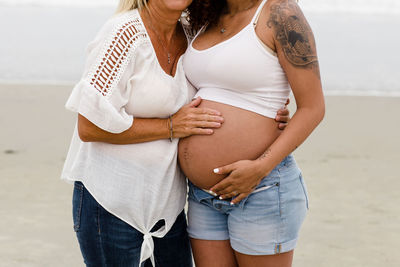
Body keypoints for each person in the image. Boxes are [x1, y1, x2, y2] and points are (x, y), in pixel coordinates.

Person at [61, 0, 290, 266]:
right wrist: (170, 126)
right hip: (111, 204)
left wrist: (266, 111)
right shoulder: (122, 34)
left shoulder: (194, 37)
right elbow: (89, 126)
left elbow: (229, 81)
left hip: (167, 207)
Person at [178, 0, 325, 266]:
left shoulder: (280, 12)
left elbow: (313, 108)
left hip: (261, 188)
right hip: (202, 195)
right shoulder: (203, 15)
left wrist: (259, 167)